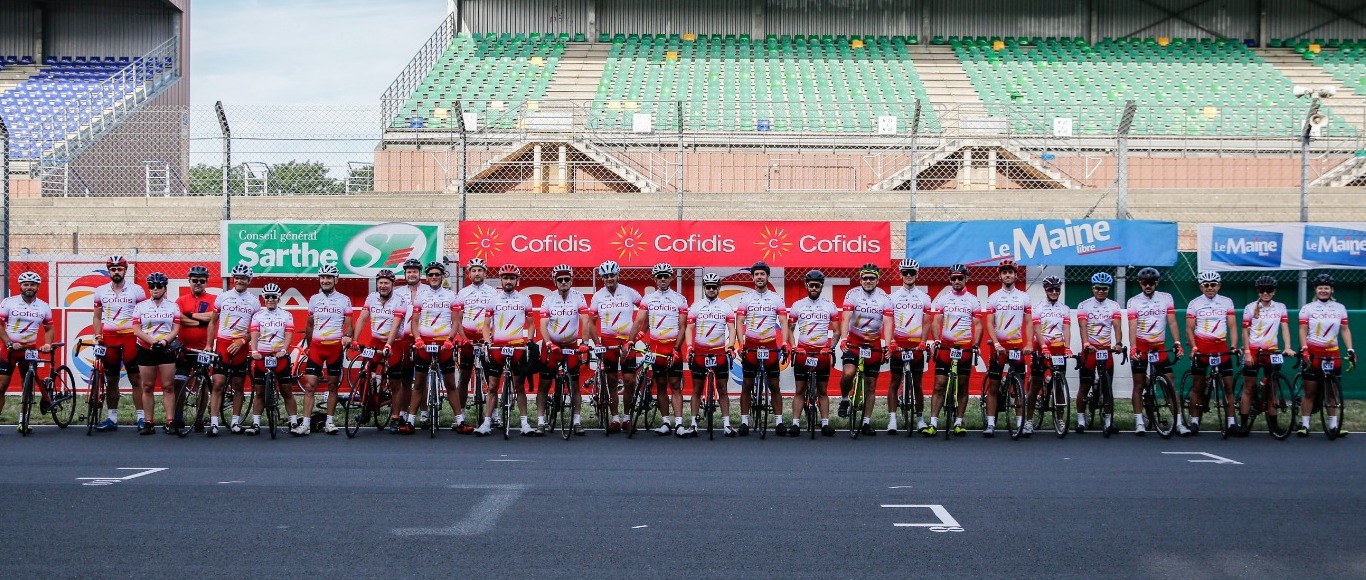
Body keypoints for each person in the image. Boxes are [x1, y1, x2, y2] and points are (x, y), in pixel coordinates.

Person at [474, 264, 535, 436]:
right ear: (501, 280)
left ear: (517, 280)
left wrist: (529, 341)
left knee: (519, 386)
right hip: (497, 347)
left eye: (512, 278)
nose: (508, 281)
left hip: (517, 347)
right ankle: (486, 423)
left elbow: (531, 324)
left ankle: (525, 423)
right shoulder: (493, 299)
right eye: (505, 278)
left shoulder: (524, 299)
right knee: (492, 386)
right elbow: (486, 326)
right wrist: (487, 342)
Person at [733, 261, 790, 436]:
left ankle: (779, 422)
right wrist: (741, 344)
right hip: (751, 344)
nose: (759, 277)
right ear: (752, 277)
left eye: (762, 274)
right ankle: (744, 422)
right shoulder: (746, 298)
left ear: (767, 277)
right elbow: (740, 322)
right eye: (756, 274)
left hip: (770, 344)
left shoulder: (776, 298)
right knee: (747, 384)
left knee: (774, 385)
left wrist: (785, 343)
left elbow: (783, 322)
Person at [295, 264, 353, 436]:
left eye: (329, 277)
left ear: (336, 280)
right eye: (323, 277)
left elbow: (349, 325)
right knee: (310, 385)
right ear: (319, 279)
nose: (325, 280)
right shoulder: (314, 299)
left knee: (333, 386)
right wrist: (309, 345)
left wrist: (347, 336)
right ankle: (305, 424)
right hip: (317, 348)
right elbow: (309, 324)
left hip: (335, 347)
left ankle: (329, 422)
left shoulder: (344, 299)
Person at [631, 262, 688, 436]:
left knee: (675, 385)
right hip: (656, 347)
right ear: (655, 279)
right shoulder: (648, 298)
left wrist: (677, 348)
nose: (663, 279)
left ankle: (679, 424)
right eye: (660, 276)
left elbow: (683, 327)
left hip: (672, 345)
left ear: (671, 277)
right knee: (661, 385)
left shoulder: (680, 299)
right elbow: (640, 322)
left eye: (666, 276)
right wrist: (631, 341)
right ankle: (665, 422)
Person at [925, 263, 982, 437]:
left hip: (964, 347)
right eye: (953, 278)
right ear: (950, 279)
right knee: (939, 385)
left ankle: (958, 422)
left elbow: (978, 325)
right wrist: (936, 340)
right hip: (946, 347)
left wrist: (976, 344)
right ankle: (933, 423)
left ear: (966, 279)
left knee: (963, 387)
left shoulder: (973, 300)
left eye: (960, 278)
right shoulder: (943, 299)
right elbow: (935, 322)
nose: (956, 281)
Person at [91, 255, 147, 432]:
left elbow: (142, 316)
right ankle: (112, 418)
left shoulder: (137, 290)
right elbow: (97, 316)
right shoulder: (100, 290)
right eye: (113, 269)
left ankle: (141, 418)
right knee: (112, 380)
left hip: (130, 337)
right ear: (109, 271)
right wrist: (97, 336)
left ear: (125, 271)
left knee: (136, 379)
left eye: (120, 269)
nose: (116, 272)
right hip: (109, 338)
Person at [1297, 273, 1356, 437]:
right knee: (1310, 392)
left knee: (1332, 393)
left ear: (1332, 290)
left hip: (1332, 354)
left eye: (1326, 288)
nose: (1323, 290)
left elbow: (1345, 329)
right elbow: (1302, 329)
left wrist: (1350, 349)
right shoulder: (1307, 308)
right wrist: (1304, 348)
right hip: (1314, 353)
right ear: (1315, 290)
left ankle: (1333, 426)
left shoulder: (1340, 308)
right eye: (1320, 288)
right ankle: (1305, 424)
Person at [407, 261, 463, 435]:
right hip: (424, 344)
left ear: (443, 276)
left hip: (444, 345)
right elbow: (414, 322)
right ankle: (410, 421)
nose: (433, 278)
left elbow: (456, 321)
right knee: (418, 384)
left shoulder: (451, 296)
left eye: (436, 274)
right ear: (427, 277)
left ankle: (460, 421)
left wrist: (450, 339)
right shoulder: (421, 296)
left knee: (451, 384)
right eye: (430, 275)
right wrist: (417, 338)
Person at [536, 264, 591, 436]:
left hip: (572, 345)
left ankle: (576, 421)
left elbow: (586, 320)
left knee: (575, 385)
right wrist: (548, 343)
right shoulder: (548, 299)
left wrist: (585, 342)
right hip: (553, 346)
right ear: (555, 281)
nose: (563, 282)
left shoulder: (578, 297)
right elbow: (543, 324)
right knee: (544, 385)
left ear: (571, 280)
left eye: (567, 279)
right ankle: (540, 421)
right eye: (560, 279)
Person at [1126, 267, 1181, 436]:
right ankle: (1139, 421)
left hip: (1159, 347)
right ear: (1140, 283)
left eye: (1151, 283)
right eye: (1144, 283)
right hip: (1141, 347)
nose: (1148, 286)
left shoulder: (1166, 298)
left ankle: (1179, 423)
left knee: (1170, 385)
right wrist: (1133, 347)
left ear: (1156, 283)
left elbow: (1172, 322)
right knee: (1139, 384)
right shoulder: (1133, 301)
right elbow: (1132, 326)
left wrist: (1178, 342)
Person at [839, 263, 892, 436]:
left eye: (872, 278)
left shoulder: (884, 298)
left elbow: (888, 323)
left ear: (877, 279)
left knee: (871, 386)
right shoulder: (853, 294)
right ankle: (845, 399)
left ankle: (866, 422)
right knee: (848, 373)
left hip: (873, 344)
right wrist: (844, 338)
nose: (868, 281)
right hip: (854, 341)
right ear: (860, 278)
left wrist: (888, 345)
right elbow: (845, 318)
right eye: (865, 278)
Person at [588, 260, 641, 433]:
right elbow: (590, 323)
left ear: (618, 275)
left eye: (612, 275)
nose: (609, 279)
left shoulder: (629, 292)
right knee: (611, 381)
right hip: (608, 342)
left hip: (627, 341)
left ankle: (627, 417)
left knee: (629, 380)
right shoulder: (598, 296)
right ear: (602, 278)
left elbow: (645, 312)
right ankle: (615, 419)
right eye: (606, 276)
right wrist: (597, 343)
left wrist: (639, 335)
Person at [351, 269, 408, 429]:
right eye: (380, 283)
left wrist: (389, 345)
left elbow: (396, 324)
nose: (383, 286)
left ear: (392, 285)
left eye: (386, 283)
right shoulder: (371, 298)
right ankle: (366, 410)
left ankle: (396, 418)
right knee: (365, 374)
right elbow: (362, 318)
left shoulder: (400, 300)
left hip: (394, 341)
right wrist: (355, 339)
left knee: (395, 382)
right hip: (375, 341)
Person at [981, 260, 1032, 438]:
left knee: (1019, 388)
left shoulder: (1023, 297)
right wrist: (995, 343)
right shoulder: (993, 297)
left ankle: (1020, 423)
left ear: (1016, 275)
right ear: (1000, 275)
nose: (1007, 275)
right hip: (999, 346)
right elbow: (989, 322)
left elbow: (1028, 321)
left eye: (1010, 272)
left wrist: (1029, 344)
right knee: (994, 386)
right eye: (1004, 272)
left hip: (1016, 345)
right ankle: (990, 423)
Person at [1239, 275, 1294, 437]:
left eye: (1269, 290)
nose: (1265, 293)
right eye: (1262, 290)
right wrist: (1247, 352)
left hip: (1272, 351)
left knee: (1272, 389)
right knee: (1248, 388)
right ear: (1258, 291)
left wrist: (1288, 347)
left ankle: (1274, 426)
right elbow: (1245, 332)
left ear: (1274, 292)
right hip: (1254, 351)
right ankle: (1243, 425)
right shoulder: (1250, 308)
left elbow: (1284, 328)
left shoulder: (1280, 307)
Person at [788, 269, 841, 437]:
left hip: (822, 354)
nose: (814, 288)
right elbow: (790, 329)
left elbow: (837, 331)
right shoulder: (798, 305)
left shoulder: (829, 305)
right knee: (799, 390)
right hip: (803, 352)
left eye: (817, 286)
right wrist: (793, 346)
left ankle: (825, 424)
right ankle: (795, 424)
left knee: (823, 390)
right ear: (806, 285)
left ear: (821, 287)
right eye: (811, 285)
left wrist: (831, 348)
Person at [0, 271, 55, 433]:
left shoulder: (44, 306)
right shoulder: (8, 302)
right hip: (9, 349)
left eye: (32, 284)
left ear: (37, 287)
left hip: (29, 349)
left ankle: (23, 420)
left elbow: (49, 328)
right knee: (1, 386)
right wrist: (9, 343)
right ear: (20, 286)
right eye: (26, 284)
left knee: (27, 386)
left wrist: (47, 344)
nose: (29, 287)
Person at [1184, 270, 1238, 435]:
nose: (1210, 288)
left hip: (1221, 348)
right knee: (1197, 387)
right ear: (1201, 287)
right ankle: (1194, 421)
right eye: (1206, 285)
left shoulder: (1227, 302)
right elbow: (1189, 328)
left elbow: (1233, 326)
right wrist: (1193, 347)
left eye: (1213, 285)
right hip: (1202, 348)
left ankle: (1231, 422)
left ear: (1219, 286)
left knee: (1228, 387)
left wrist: (1234, 345)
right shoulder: (1194, 303)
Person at [685, 272, 736, 437]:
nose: (712, 289)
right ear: (705, 288)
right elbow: (689, 328)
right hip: (700, 353)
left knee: (722, 389)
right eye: (709, 287)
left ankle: (727, 425)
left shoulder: (726, 307)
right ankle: (693, 425)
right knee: (696, 390)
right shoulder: (696, 306)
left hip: (719, 352)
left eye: (714, 287)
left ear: (719, 288)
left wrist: (730, 346)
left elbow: (732, 328)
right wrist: (690, 347)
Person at [884, 258, 931, 435]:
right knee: (895, 382)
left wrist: (923, 342)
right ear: (901, 274)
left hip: (916, 346)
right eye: (905, 273)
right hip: (899, 345)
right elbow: (887, 323)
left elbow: (927, 322)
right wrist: (891, 344)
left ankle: (920, 419)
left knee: (918, 384)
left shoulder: (924, 297)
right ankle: (892, 419)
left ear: (917, 274)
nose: (909, 275)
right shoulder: (892, 297)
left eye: (912, 273)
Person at [212, 263, 260, 436]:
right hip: (223, 344)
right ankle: (214, 423)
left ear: (249, 281)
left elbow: (255, 329)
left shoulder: (254, 302)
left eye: (243, 278)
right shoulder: (223, 297)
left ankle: (235, 422)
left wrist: (242, 341)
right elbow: (212, 322)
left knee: (238, 385)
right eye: (237, 278)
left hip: (240, 346)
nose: (239, 281)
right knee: (217, 384)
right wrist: (209, 344)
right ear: (233, 279)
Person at [131, 272, 181, 435]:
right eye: (152, 286)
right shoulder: (141, 306)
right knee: (147, 386)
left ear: (165, 288)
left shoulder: (173, 306)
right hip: (146, 348)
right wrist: (153, 343)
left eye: (159, 286)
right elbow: (136, 330)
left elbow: (176, 328)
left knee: (168, 386)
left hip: (166, 349)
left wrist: (164, 342)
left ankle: (170, 421)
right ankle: (148, 422)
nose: (155, 289)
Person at [244, 284, 298, 435]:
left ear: (279, 298)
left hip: (279, 357)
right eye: (267, 296)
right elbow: (254, 334)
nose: (270, 299)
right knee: (259, 392)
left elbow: (288, 334)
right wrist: (254, 351)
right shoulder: (258, 315)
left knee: (287, 391)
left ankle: (293, 423)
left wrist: (284, 350)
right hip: (262, 356)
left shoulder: (286, 315)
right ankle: (256, 424)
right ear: (263, 298)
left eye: (274, 296)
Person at [1075, 272, 1125, 435]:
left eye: (1104, 288)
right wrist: (1086, 344)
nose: (1101, 291)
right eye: (1098, 288)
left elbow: (1117, 327)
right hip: (1090, 350)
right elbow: (1083, 327)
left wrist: (1118, 343)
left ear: (1108, 289)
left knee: (1107, 387)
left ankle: (1109, 420)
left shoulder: (1114, 306)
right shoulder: (1084, 305)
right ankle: (1081, 420)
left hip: (1105, 349)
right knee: (1084, 386)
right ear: (1093, 288)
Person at [452, 257, 494, 434]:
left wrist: (490, 336)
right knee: (464, 377)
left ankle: (495, 414)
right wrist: (463, 337)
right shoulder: (462, 293)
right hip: (468, 337)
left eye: (480, 270)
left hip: (486, 338)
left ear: (485, 273)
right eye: (473, 270)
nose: (477, 273)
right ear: (469, 274)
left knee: (491, 378)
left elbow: (497, 317)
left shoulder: (493, 292)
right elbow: (457, 319)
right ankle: (460, 415)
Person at [1028, 275, 1071, 436]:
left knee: (1059, 384)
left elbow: (1066, 329)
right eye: (1050, 289)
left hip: (1058, 347)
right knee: (1035, 385)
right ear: (1045, 290)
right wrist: (1043, 347)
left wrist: (1067, 347)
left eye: (1057, 289)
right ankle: (1029, 421)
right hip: (1041, 347)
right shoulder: (1038, 308)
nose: (1054, 292)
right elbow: (1037, 329)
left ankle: (1060, 418)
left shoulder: (1064, 308)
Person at [174, 265, 215, 430]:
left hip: (204, 349)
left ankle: (199, 418)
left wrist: (191, 315)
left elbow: (213, 316)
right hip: (184, 349)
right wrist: (201, 321)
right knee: (179, 383)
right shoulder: (181, 300)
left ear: (206, 282)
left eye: (202, 281)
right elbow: (180, 319)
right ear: (189, 281)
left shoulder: (213, 299)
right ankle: (178, 417)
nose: (198, 283)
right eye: (195, 280)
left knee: (203, 384)